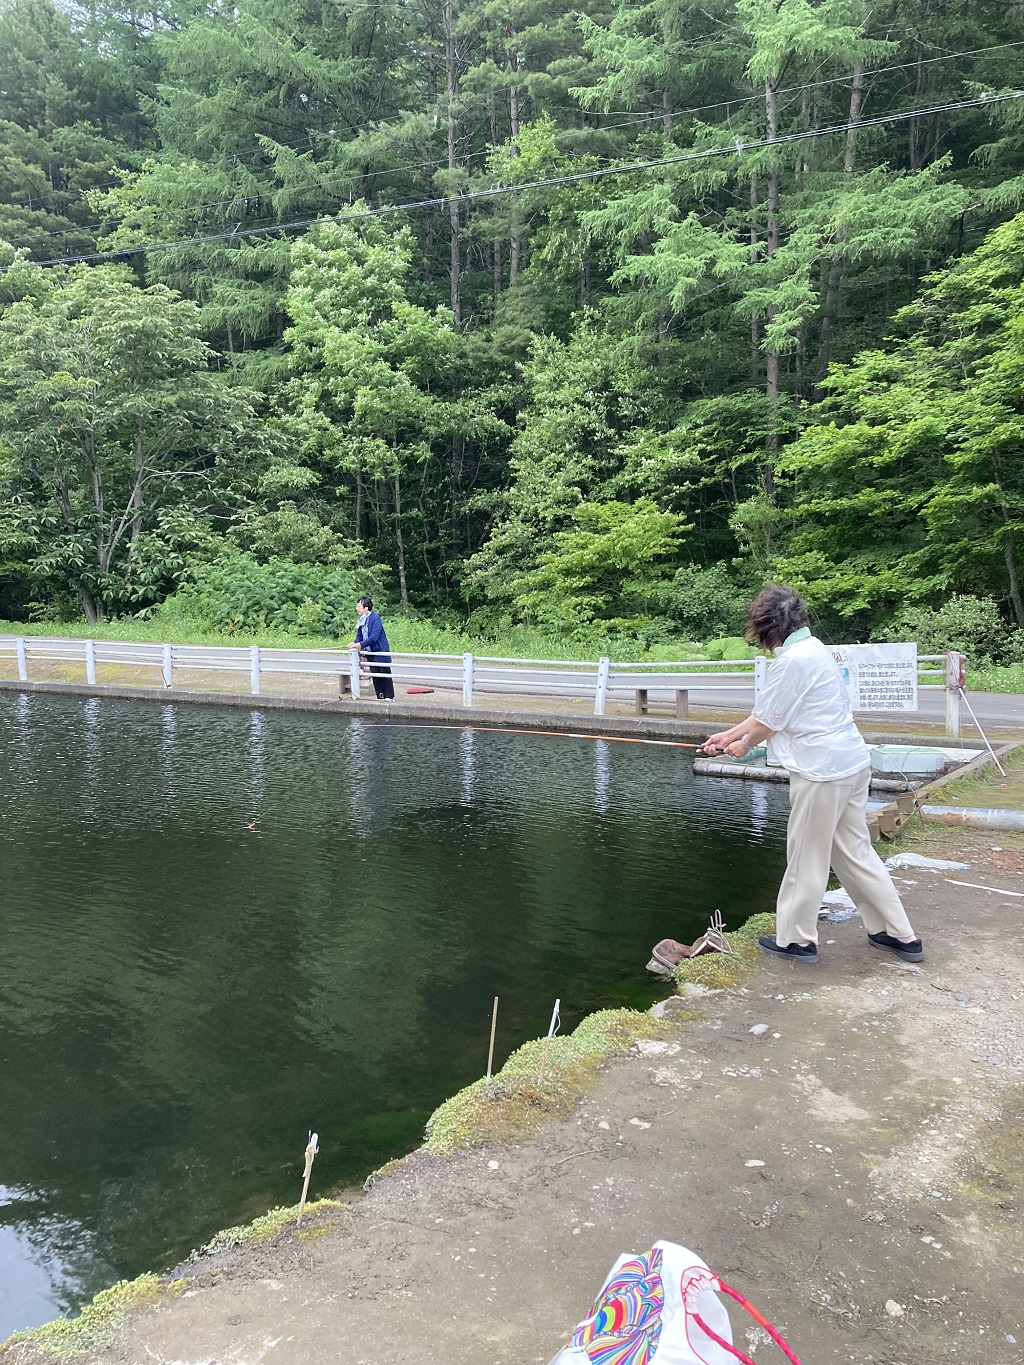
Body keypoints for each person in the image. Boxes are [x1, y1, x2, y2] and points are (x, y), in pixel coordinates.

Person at [704, 584, 923, 965]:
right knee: (856, 853)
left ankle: (797, 941)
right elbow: (766, 715)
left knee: (807, 857)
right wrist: (729, 735)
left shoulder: (792, 661)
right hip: (852, 764)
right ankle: (898, 933)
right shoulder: (815, 648)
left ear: (766, 625)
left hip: (822, 772)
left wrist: (740, 746)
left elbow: (769, 721)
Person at [349, 596, 395, 700]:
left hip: (380, 649)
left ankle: (389, 696)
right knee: (375, 674)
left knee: (384, 672)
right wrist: (354, 643)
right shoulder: (361, 620)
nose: (357, 608)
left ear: (366, 607)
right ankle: (380, 695)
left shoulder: (375, 618)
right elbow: (359, 636)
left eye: (359, 606)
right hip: (370, 651)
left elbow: (374, 637)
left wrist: (360, 645)